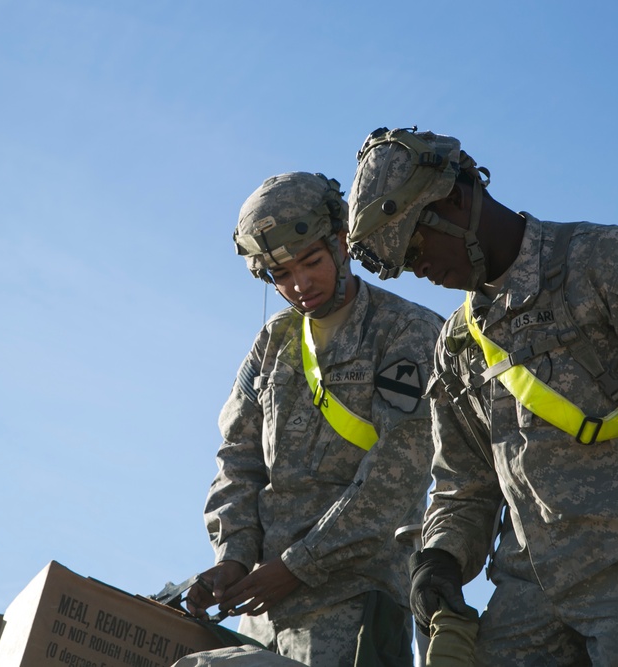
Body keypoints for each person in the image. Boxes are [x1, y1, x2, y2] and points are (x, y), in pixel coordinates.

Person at [344, 127, 618, 665]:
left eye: (415, 246)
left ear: (454, 202)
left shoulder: (605, 261)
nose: (421, 271)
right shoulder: (456, 345)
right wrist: (441, 557)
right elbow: (464, 483)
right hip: (528, 588)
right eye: (404, 265)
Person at [180, 171, 444, 666]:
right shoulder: (274, 343)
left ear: (342, 243)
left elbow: (396, 476)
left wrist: (299, 565)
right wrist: (233, 556)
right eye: (280, 275)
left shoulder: (407, 332)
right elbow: (238, 457)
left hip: (355, 602)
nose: (299, 284)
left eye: (311, 262)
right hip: (262, 612)